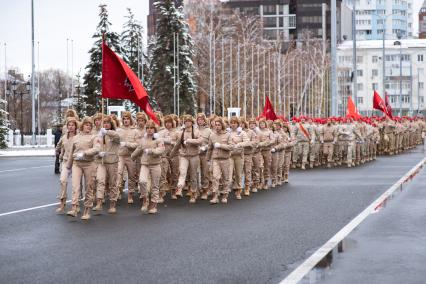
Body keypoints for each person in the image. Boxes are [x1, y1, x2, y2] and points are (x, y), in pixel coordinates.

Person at [66, 117, 99, 220]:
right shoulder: (76, 137)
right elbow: (72, 152)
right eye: (86, 125)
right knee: (75, 187)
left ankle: (87, 209)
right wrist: (68, 166)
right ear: (82, 126)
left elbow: (97, 149)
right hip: (77, 164)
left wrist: (85, 153)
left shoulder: (94, 137)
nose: (88, 126)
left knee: (89, 187)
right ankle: (74, 208)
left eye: (90, 125)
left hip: (89, 164)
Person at [131, 120, 165, 214]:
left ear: (154, 129)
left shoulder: (158, 139)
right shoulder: (143, 140)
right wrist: (132, 157)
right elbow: (138, 149)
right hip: (145, 164)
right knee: (142, 181)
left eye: (151, 128)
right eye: (148, 128)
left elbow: (161, 149)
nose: (149, 130)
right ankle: (145, 199)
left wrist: (151, 151)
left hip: (155, 164)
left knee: (155, 185)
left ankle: (154, 205)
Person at [170, 115, 202, 203]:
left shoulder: (196, 131)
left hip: (194, 156)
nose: (187, 122)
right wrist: (171, 155)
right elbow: (177, 145)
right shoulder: (181, 132)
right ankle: (179, 188)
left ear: (192, 122)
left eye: (189, 121)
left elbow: (200, 141)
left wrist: (189, 140)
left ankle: (193, 193)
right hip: (183, 156)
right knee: (182, 172)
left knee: (193, 176)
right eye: (186, 121)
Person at [93, 115, 120, 214]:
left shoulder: (114, 134)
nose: (106, 124)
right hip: (101, 161)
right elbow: (96, 145)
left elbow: (117, 137)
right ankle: (99, 202)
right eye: (104, 123)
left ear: (111, 124)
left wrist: (107, 132)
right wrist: (98, 153)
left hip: (112, 161)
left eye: (108, 123)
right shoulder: (100, 134)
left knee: (113, 183)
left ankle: (113, 203)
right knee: (100, 180)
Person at [207, 117, 233, 204]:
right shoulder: (212, 135)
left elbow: (231, 147)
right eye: (215, 125)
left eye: (219, 125)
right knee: (215, 177)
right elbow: (210, 148)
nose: (217, 127)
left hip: (225, 159)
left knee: (226, 178)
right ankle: (215, 196)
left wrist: (221, 145)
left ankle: (225, 195)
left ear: (222, 125)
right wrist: (207, 159)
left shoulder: (228, 135)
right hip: (215, 160)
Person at [55, 117, 78, 213]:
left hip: (76, 162)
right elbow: (59, 145)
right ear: (67, 126)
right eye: (69, 125)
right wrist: (57, 152)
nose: (71, 127)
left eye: (73, 125)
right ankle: (62, 202)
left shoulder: (78, 136)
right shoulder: (64, 136)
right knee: (63, 180)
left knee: (75, 185)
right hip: (65, 162)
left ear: (76, 126)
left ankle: (75, 205)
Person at [116, 111, 139, 204]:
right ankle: (117, 192)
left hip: (131, 156)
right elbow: (114, 141)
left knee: (131, 176)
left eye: (127, 119)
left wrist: (127, 144)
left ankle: (130, 194)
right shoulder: (118, 130)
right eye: (124, 119)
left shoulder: (135, 131)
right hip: (120, 155)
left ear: (130, 120)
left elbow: (137, 144)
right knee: (118, 173)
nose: (126, 121)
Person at [158, 115, 179, 202]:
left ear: (172, 123)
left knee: (175, 173)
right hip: (164, 155)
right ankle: (161, 193)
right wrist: (166, 140)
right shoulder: (161, 132)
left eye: (169, 122)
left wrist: (172, 142)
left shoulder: (177, 132)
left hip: (174, 155)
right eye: (166, 122)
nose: (168, 124)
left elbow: (179, 143)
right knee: (163, 173)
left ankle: (173, 191)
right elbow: (158, 140)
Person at [228, 117, 249, 199]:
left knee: (238, 174)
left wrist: (239, 144)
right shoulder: (227, 132)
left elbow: (247, 142)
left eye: (235, 123)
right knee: (229, 174)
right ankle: (226, 190)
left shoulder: (242, 133)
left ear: (238, 124)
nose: (233, 124)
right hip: (229, 155)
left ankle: (239, 190)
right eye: (231, 123)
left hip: (239, 156)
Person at [196, 113, 212, 200]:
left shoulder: (208, 130)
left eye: (202, 119)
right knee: (196, 172)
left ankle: (205, 190)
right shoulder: (194, 129)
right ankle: (197, 190)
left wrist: (204, 147)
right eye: (199, 119)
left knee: (205, 173)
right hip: (195, 154)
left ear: (204, 120)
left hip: (205, 154)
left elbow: (211, 143)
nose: (200, 121)